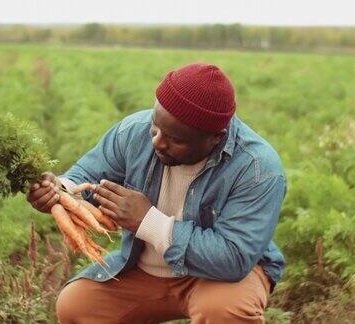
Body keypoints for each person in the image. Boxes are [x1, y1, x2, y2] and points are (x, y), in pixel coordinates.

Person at [27, 63, 287, 323]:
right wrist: (59, 191)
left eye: (176, 139)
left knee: (222, 312)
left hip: (217, 278)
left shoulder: (256, 167)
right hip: (145, 272)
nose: (157, 142)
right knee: (76, 307)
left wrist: (148, 221)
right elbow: (84, 177)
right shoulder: (133, 132)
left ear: (215, 138)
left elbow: (233, 259)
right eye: (156, 127)